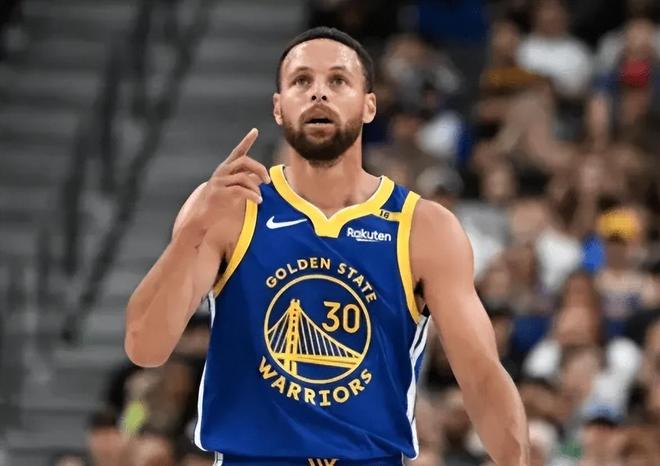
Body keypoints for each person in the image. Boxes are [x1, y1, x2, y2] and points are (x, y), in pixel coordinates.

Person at [125, 27, 529, 465]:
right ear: (278, 107)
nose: (319, 93)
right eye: (301, 81)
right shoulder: (229, 207)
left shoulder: (424, 228)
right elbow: (145, 347)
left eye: (338, 80)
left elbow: (482, 378)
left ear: (369, 105)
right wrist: (191, 233)